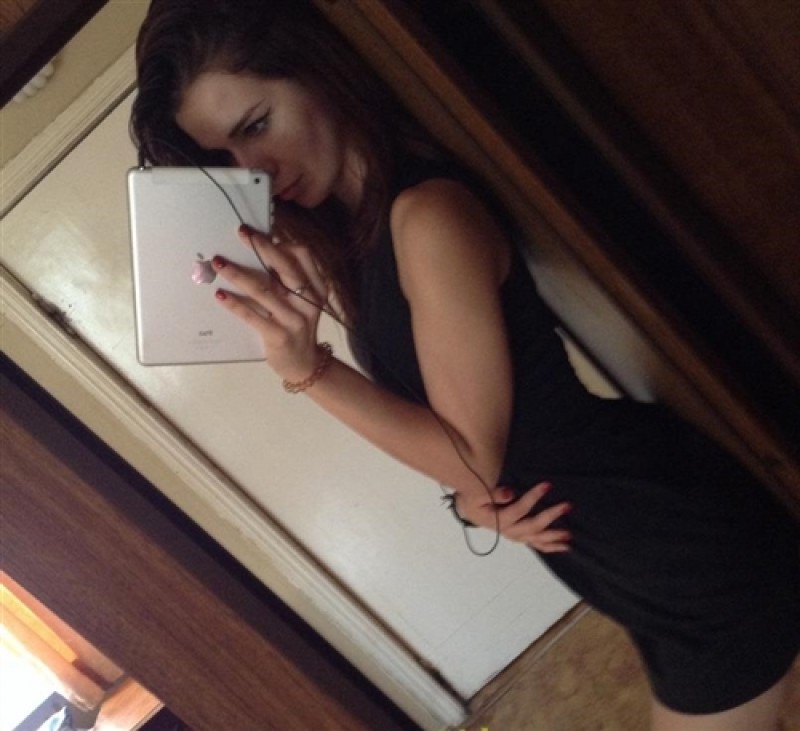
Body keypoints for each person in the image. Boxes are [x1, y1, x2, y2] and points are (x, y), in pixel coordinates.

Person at [130, 1, 800, 728]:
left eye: (256, 125)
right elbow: (471, 442)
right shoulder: (362, 235)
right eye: (225, 158)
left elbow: (472, 453)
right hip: (627, 558)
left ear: (316, 70)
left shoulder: (427, 216)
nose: (252, 168)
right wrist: (476, 495)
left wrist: (308, 370)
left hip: (681, 547)